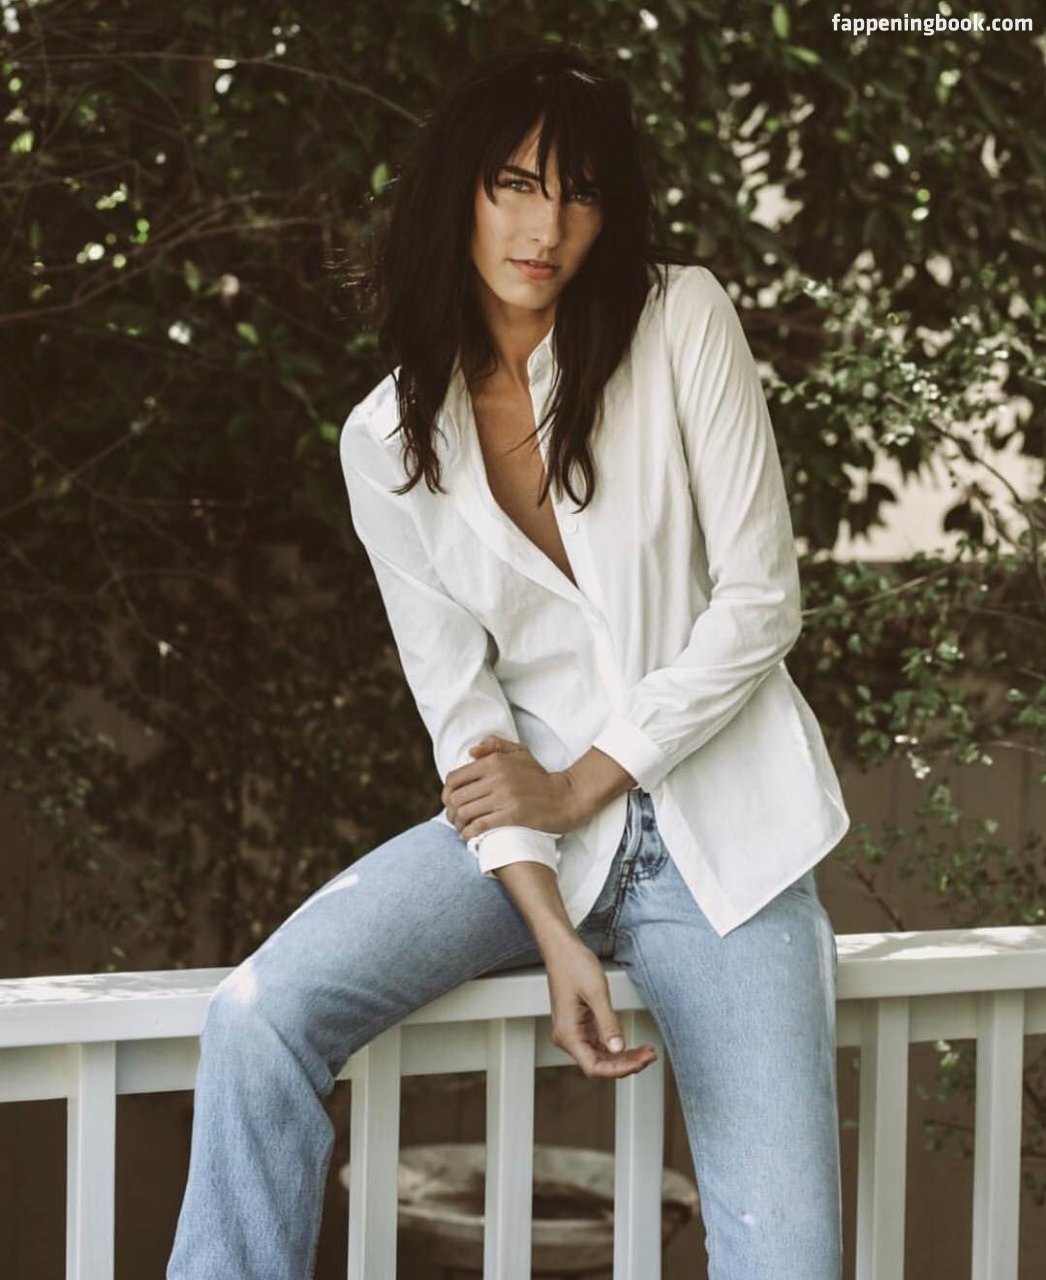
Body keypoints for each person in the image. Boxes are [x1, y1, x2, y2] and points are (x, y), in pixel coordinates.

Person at [167, 39, 850, 1280]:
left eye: (578, 192)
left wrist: (585, 779)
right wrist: (548, 923)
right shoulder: (384, 441)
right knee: (256, 1017)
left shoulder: (677, 318)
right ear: (461, 193)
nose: (545, 227)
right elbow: (462, 708)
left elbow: (761, 602)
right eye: (515, 185)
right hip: (524, 833)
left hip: (722, 836)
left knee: (787, 1256)